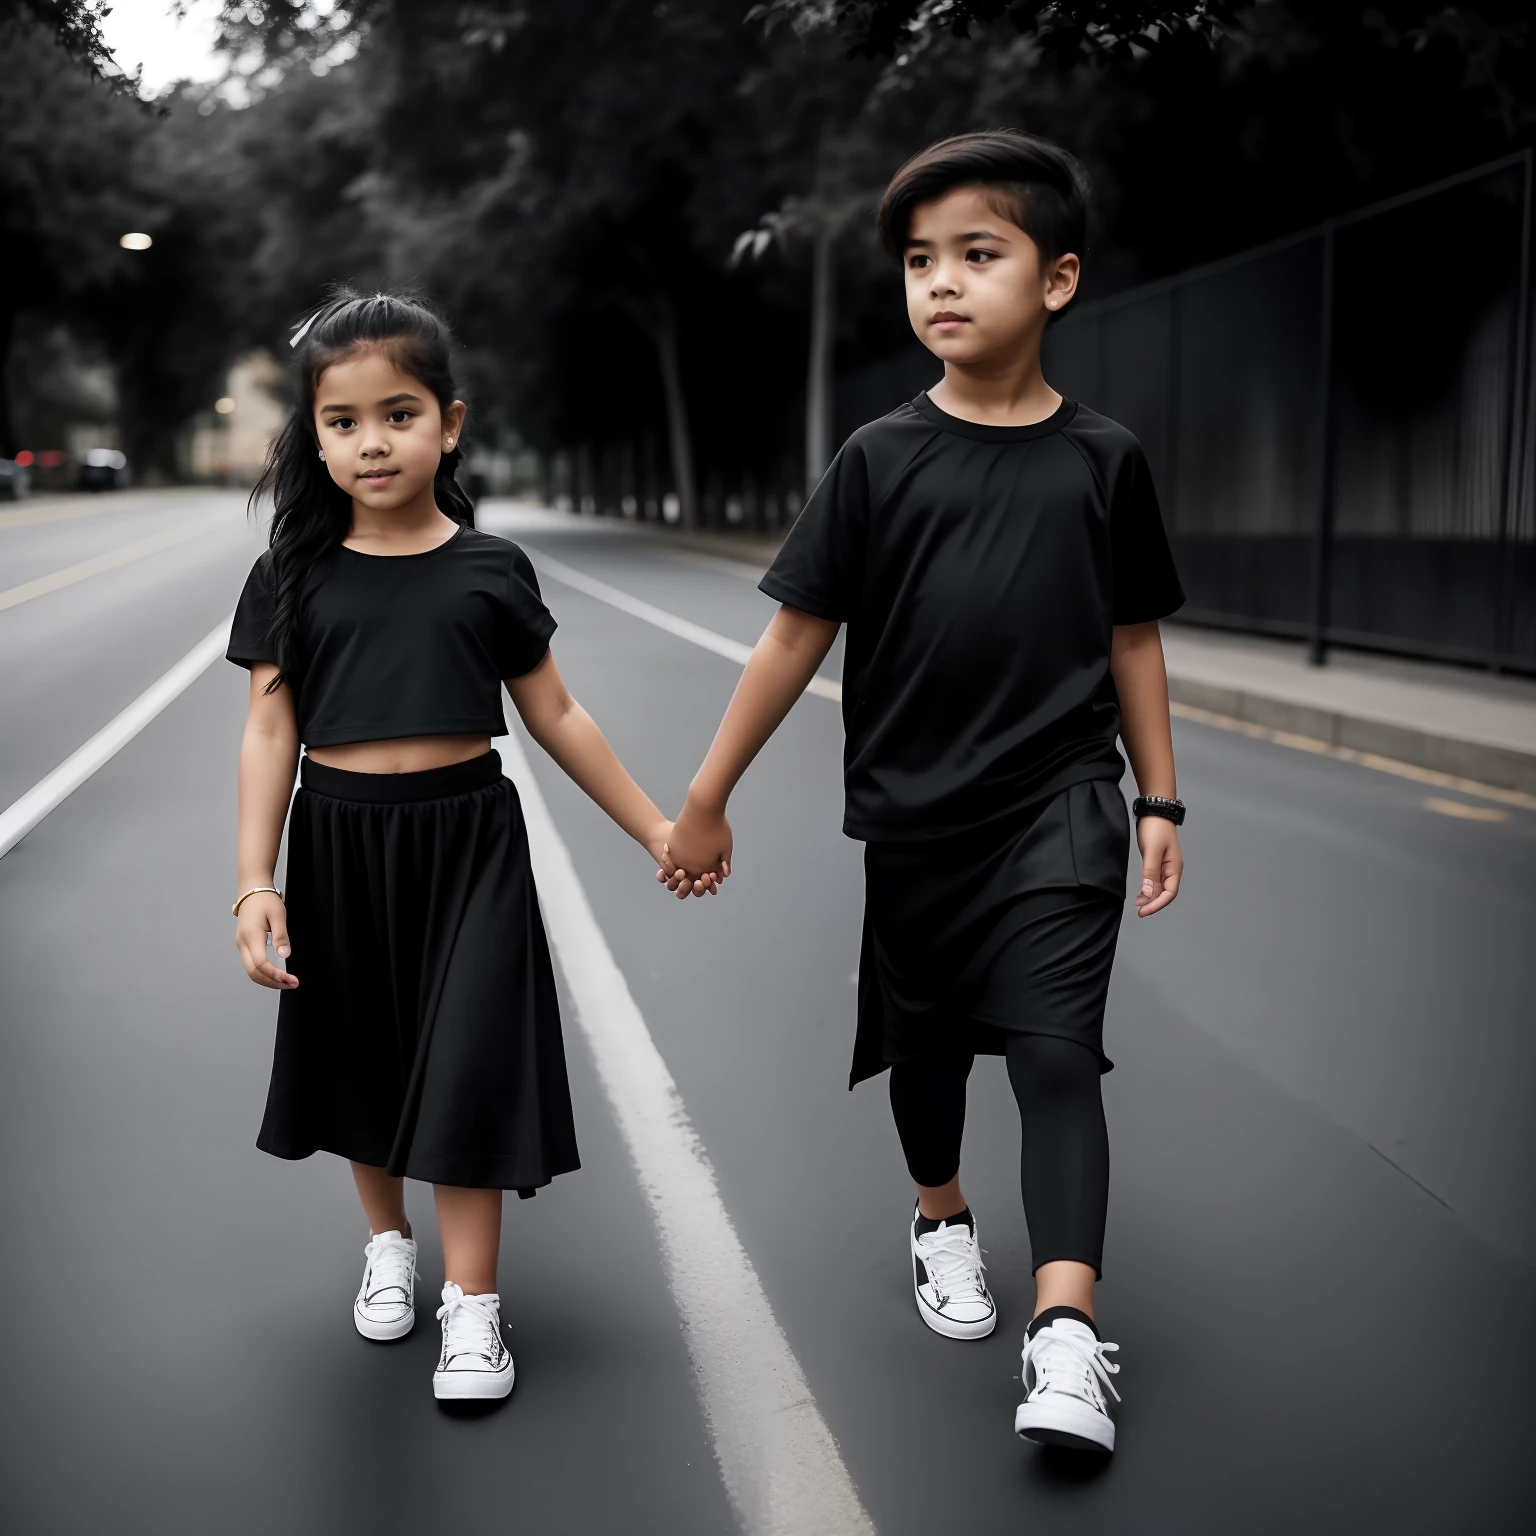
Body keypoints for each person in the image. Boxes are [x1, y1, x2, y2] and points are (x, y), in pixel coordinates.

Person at [663, 130, 1186, 1455]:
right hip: (915, 816)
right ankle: (942, 1213)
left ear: (1057, 281)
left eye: (976, 255)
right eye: (918, 262)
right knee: (932, 1052)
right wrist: (708, 794)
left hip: (1065, 799)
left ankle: (1066, 1337)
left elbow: (1132, 635)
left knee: (1061, 1053)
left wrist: (1161, 801)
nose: (939, 283)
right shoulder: (879, 461)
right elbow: (792, 636)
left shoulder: (1104, 460)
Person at [228, 289, 713, 1403]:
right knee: (362, 1053)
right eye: (342, 421)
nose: (370, 442)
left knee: (467, 1060)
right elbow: (267, 729)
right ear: (316, 435)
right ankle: (389, 1246)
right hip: (340, 841)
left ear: (450, 422)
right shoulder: (293, 575)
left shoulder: (491, 570)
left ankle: (475, 1307)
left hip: (471, 843)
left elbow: (556, 715)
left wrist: (656, 828)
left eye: (397, 414)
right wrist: (255, 882)